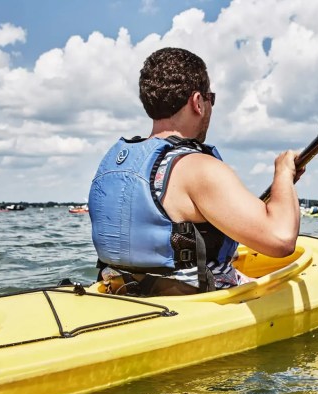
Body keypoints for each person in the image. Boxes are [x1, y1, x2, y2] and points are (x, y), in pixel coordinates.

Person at [88, 47, 302, 296]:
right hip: (191, 304)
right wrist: (283, 175)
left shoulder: (116, 163)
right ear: (198, 102)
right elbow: (281, 239)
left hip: (122, 293)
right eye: (210, 98)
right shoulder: (198, 167)